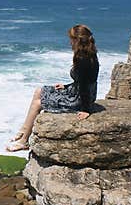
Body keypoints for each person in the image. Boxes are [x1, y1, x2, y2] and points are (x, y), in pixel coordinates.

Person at [6, 24, 99, 152]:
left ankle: (24, 141)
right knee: (39, 91)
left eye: (71, 39)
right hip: (77, 90)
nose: (69, 42)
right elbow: (83, 80)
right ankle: (24, 129)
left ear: (77, 40)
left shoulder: (83, 59)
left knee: (38, 103)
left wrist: (85, 109)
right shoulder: (88, 54)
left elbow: (84, 86)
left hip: (79, 98)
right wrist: (65, 86)